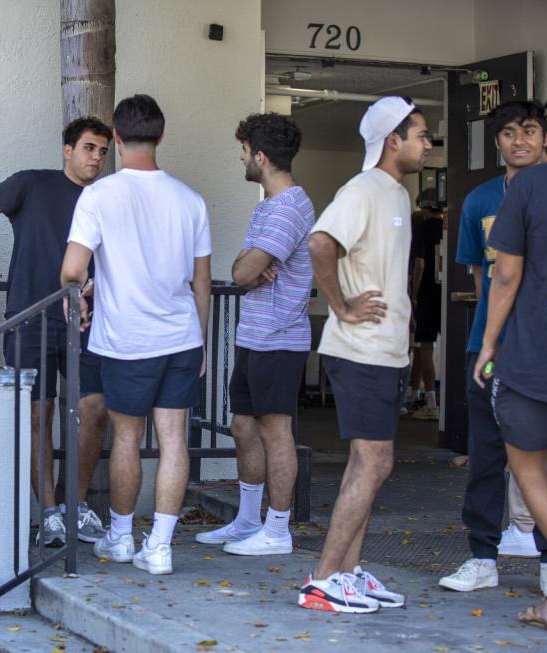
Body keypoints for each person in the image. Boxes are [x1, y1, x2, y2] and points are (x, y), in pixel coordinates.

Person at [61, 94, 211, 575]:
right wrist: (203, 341)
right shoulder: (191, 200)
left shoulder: (99, 195)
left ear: (118, 140)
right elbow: (201, 281)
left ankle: (123, 538)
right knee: (174, 439)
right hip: (182, 337)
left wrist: (82, 292)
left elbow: (71, 268)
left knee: (127, 437)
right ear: (161, 138)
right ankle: (161, 547)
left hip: (127, 340)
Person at [299, 97, 431, 613]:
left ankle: (346, 573)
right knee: (374, 461)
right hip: (361, 352)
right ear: (393, 140)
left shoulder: (395, 193)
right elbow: (319, 244)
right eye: (420, 134)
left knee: (370, 463)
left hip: (387, 352)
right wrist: (341, 305)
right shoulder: (363, 189)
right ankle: (323, 579)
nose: (427, 143)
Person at [0, 117, 113, 547]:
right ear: (68, 150)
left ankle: (75, 507)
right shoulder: (31, 183)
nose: (96, 158)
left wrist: (99, 283)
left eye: (103, 151)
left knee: (95, 408)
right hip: (30, 317)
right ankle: (48, 513)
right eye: (88, 148)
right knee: (38, 414)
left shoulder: (108, 198)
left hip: (88, 320)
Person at [441, 100, 547, 595]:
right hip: (486, 345)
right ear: (496, 142)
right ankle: (482, 557)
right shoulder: (479, 201)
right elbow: (481, 276)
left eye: (529, 130)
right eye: (509, 133)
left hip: (545, 346)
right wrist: (490, 335)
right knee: (486, 454)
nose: (520, 141)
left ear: (546, 134)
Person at [473, 69, 547, 634]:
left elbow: (505, 278)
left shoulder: (531, 185)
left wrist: (488, 344)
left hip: (536, 359)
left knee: (527, 465)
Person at [195, 113, 314, 556]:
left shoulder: (289, 208)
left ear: (260, 156)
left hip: (279, 337)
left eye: (244, 152)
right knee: (242, 425)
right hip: (255, 335)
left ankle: (277, 530)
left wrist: (249, 265)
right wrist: (249, 264)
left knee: (274, 430)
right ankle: (248, 522)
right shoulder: (268, 206)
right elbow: (243, 267)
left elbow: (243, 272)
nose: (241, 158)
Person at [409, 191, 444, 421]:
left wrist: (414, 294)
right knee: (424, 346)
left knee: (424, 344)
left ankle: (430, 400)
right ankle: (415, 395)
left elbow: (420, 263)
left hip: (427, 293)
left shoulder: (421, 230)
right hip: (446, 289)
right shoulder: (448, 228)